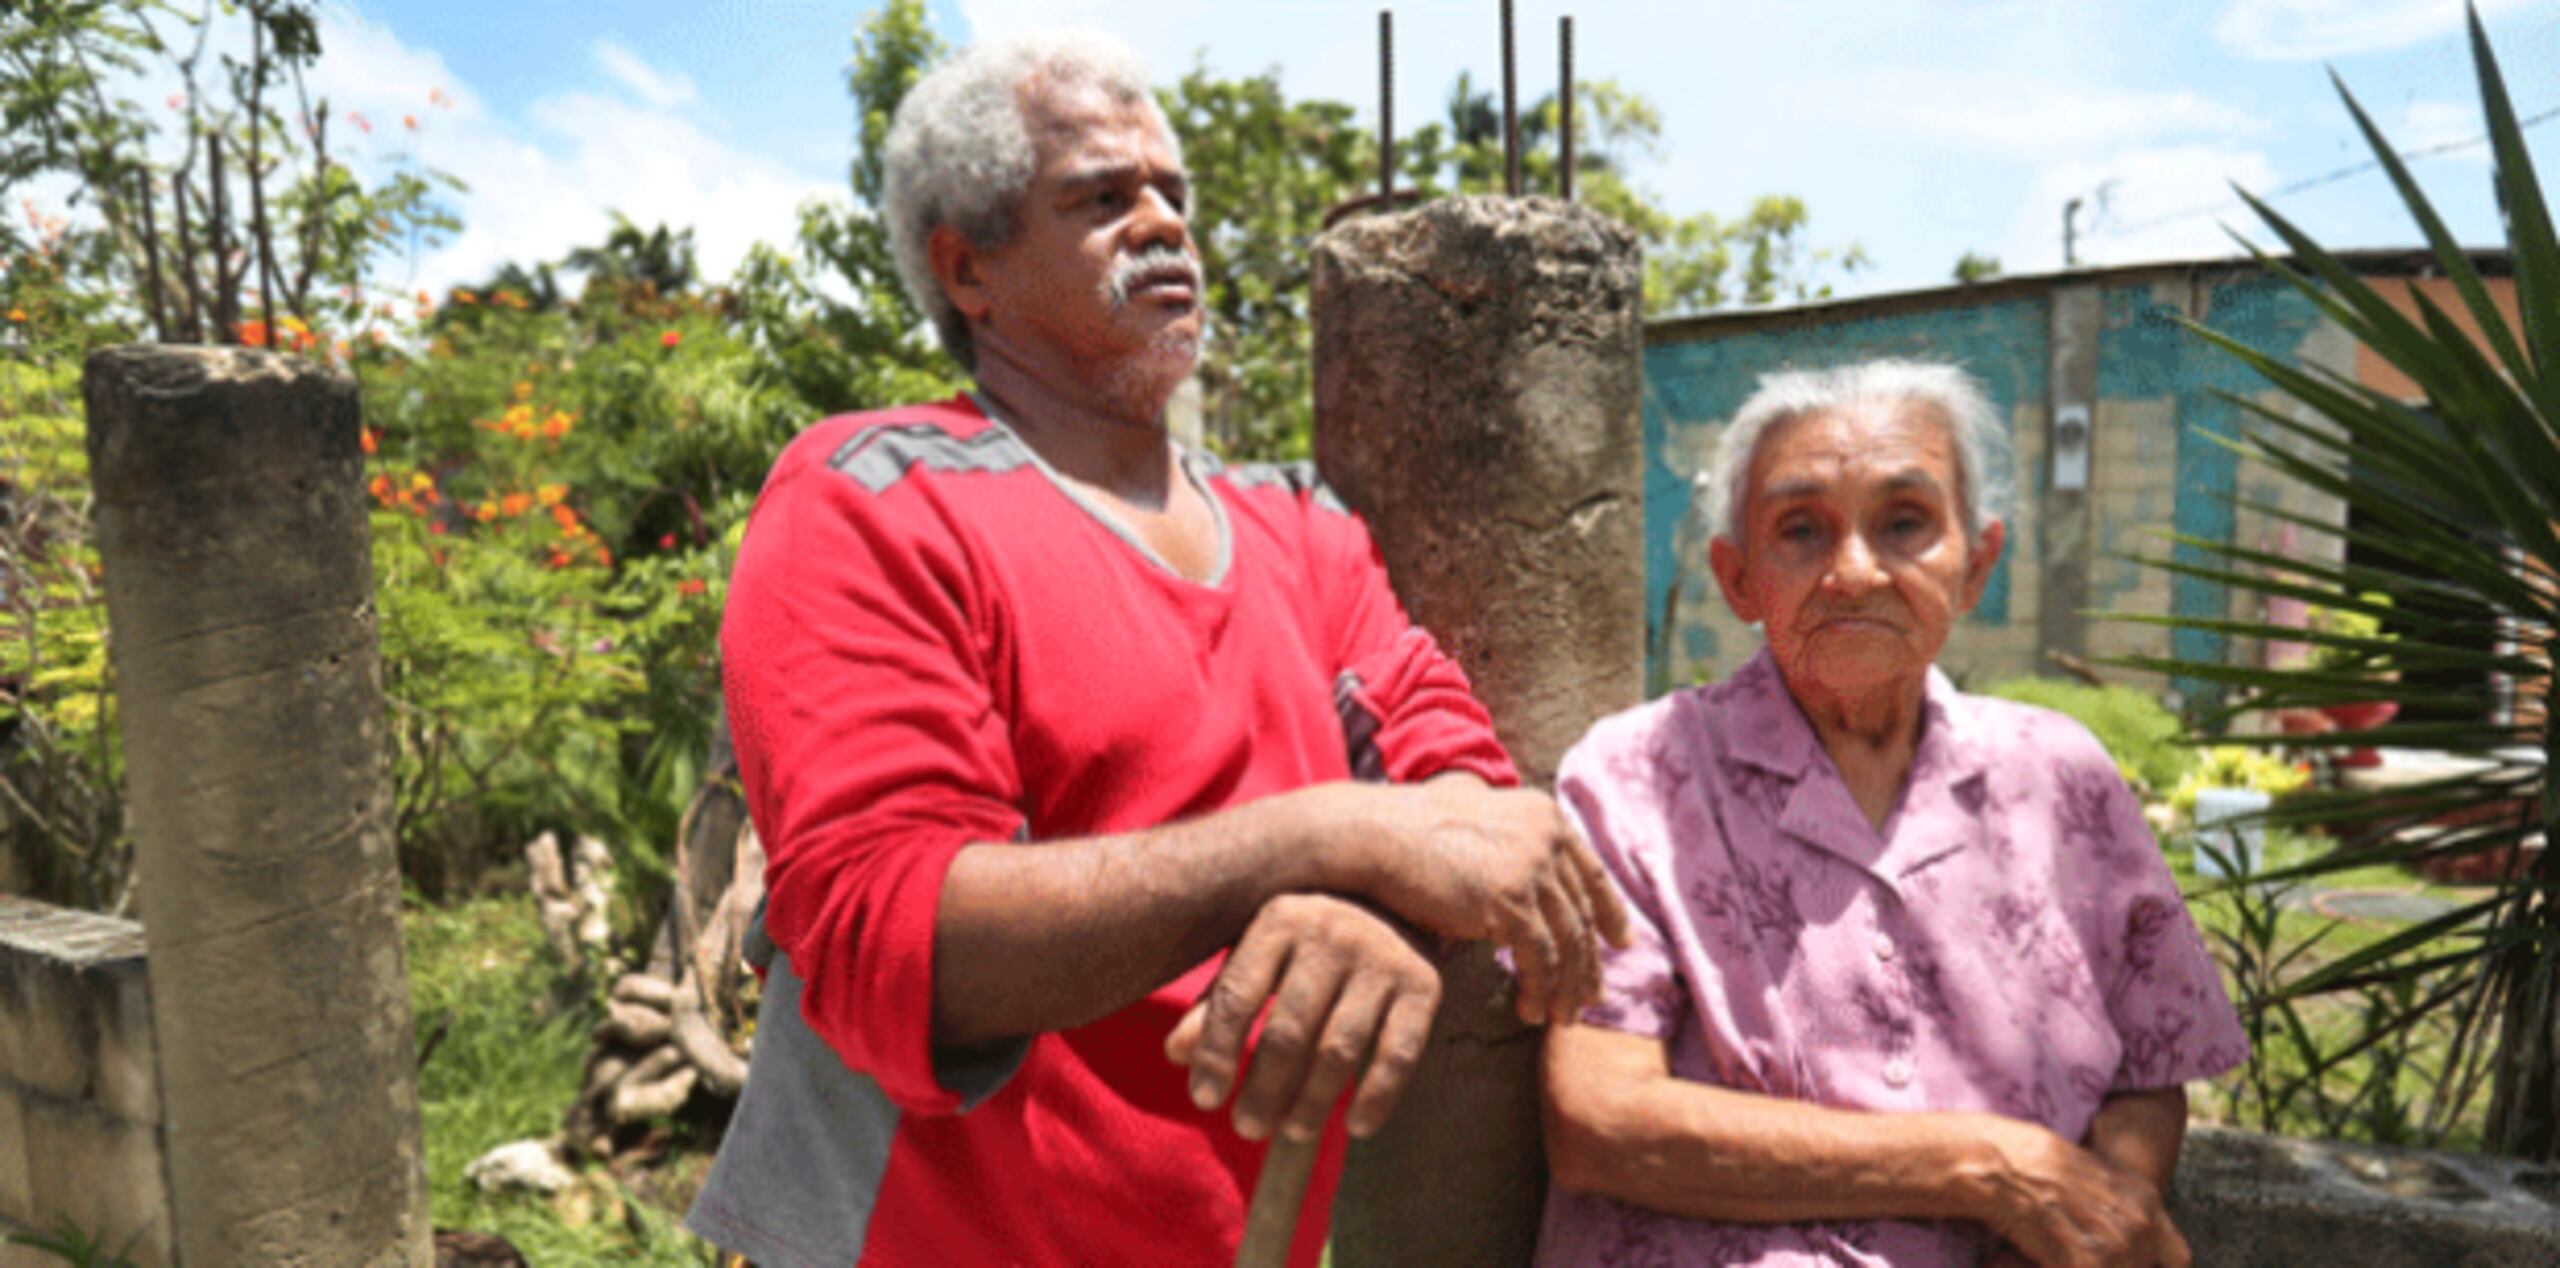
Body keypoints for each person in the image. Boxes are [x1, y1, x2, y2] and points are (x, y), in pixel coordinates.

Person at [683, 30, 1626, 1268]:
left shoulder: (1299, 527)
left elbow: (1448, 767)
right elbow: (888, 935)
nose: (1163, 224)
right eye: (1101, 197)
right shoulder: (876, 495)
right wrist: (1327, 837)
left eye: (1173, 195)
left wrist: (1383, 900)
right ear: (968, 269)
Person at [1534, 361, 2247, 1267]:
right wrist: (1980, 1165)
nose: (1855, 571)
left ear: (1975, 564)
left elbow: (2148, 1070)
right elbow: (1600, 1121)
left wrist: (2105, 1213)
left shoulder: (2061, 774)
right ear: (1738, 578)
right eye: (1801, 531)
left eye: (1904, 523)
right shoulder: (1641, 774)